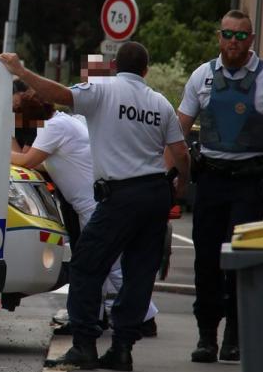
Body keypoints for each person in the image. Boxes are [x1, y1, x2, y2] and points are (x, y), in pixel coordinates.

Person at [0, 42, 190, 371]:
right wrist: (178, 188)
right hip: (155, 193)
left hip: (120, 195)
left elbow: (57, 93)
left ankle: (84, 344)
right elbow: (182, 154)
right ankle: (123, 349)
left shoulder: (103, 91)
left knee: (86, 265)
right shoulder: (161, 104)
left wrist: (21, 71)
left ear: (115, 66)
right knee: (138, 273)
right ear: (146, 70)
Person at [177, 10, 263, 363]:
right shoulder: (202, 76)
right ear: (219, 36)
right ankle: (207, 336)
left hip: (248, 182)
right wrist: (170, 175)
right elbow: (178, 130)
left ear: (251, 39)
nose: (233, 42)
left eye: (241, 36)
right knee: (206, 261)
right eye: (227, 34)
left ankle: (236, 336)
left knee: (241, 260)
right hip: (211, 181)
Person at [9, 82, 159, 339]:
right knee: (103, 267)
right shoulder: (62, 122)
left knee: (107, 266)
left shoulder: (53, 128)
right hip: (93, 203)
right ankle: (99, 317)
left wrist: (3, 140)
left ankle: (143, 318)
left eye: (18, 115)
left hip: (92, 205)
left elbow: (26, 161)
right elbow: (39, 163)